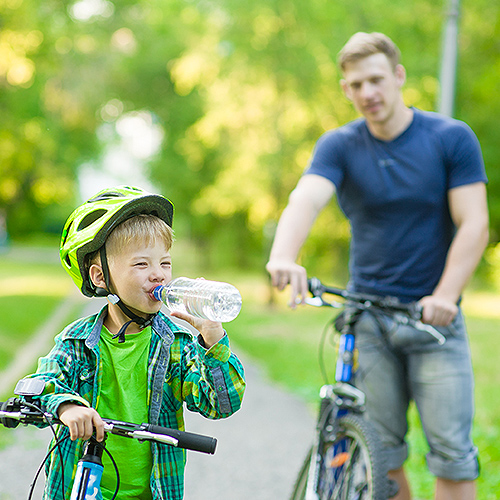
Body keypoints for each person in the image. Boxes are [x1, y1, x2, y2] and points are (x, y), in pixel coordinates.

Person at [266, 32, 488, 500]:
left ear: (398, 76)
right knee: (382, 454)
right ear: (346, 89)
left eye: (376, 80)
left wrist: (446, 295)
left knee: (451, 454)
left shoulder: (450, 138)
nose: (368, 93)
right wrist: (284, 255)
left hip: (434, 321)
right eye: (356, 84)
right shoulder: (340, 145)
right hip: (369, 320)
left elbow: (474, 225)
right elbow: (306, 199)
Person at [23, 185, 246, 500]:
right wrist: (67, 406)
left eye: (164, 264)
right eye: (142, 264)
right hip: (80, 489)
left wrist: (213, 338)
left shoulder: (176, 343)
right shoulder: (76, 342)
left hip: (153, 493)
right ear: (101, 277)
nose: (158, 275)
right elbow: (41, 382)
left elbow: (221, 403)